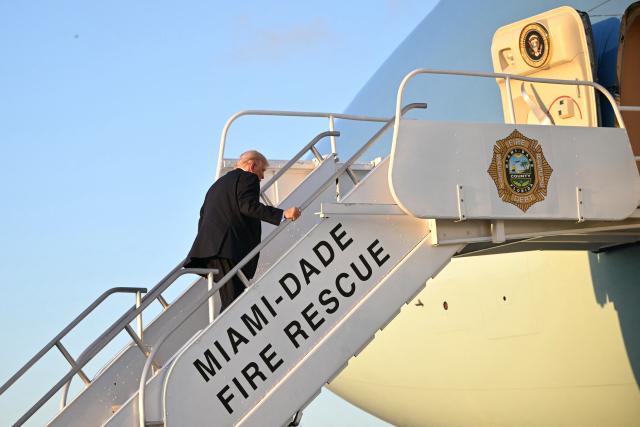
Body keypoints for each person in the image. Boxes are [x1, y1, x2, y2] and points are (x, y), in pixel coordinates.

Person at [184, 150, 301, 312]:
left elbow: (203, 216)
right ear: (252, 166)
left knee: (231, 300)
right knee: (233, 303)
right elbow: (248, 206)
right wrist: (282, 214)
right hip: (229, 250)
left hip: (213, 250)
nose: (261, 177)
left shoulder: (218, 184)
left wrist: (209, 251)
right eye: (262, 171)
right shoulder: (248, 178)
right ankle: (223, 336)